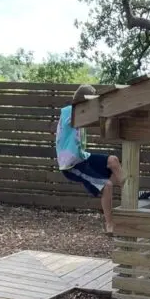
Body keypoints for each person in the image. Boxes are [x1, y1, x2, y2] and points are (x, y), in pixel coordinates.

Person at [55, 84, 125, 234]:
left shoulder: (81, 113)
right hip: (71, 165)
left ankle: (131, 196)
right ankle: (110, 224)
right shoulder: (69, 111)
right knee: (107, 186)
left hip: (82, 157)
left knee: (113, 160)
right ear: (83, 101)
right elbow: (78, 119)